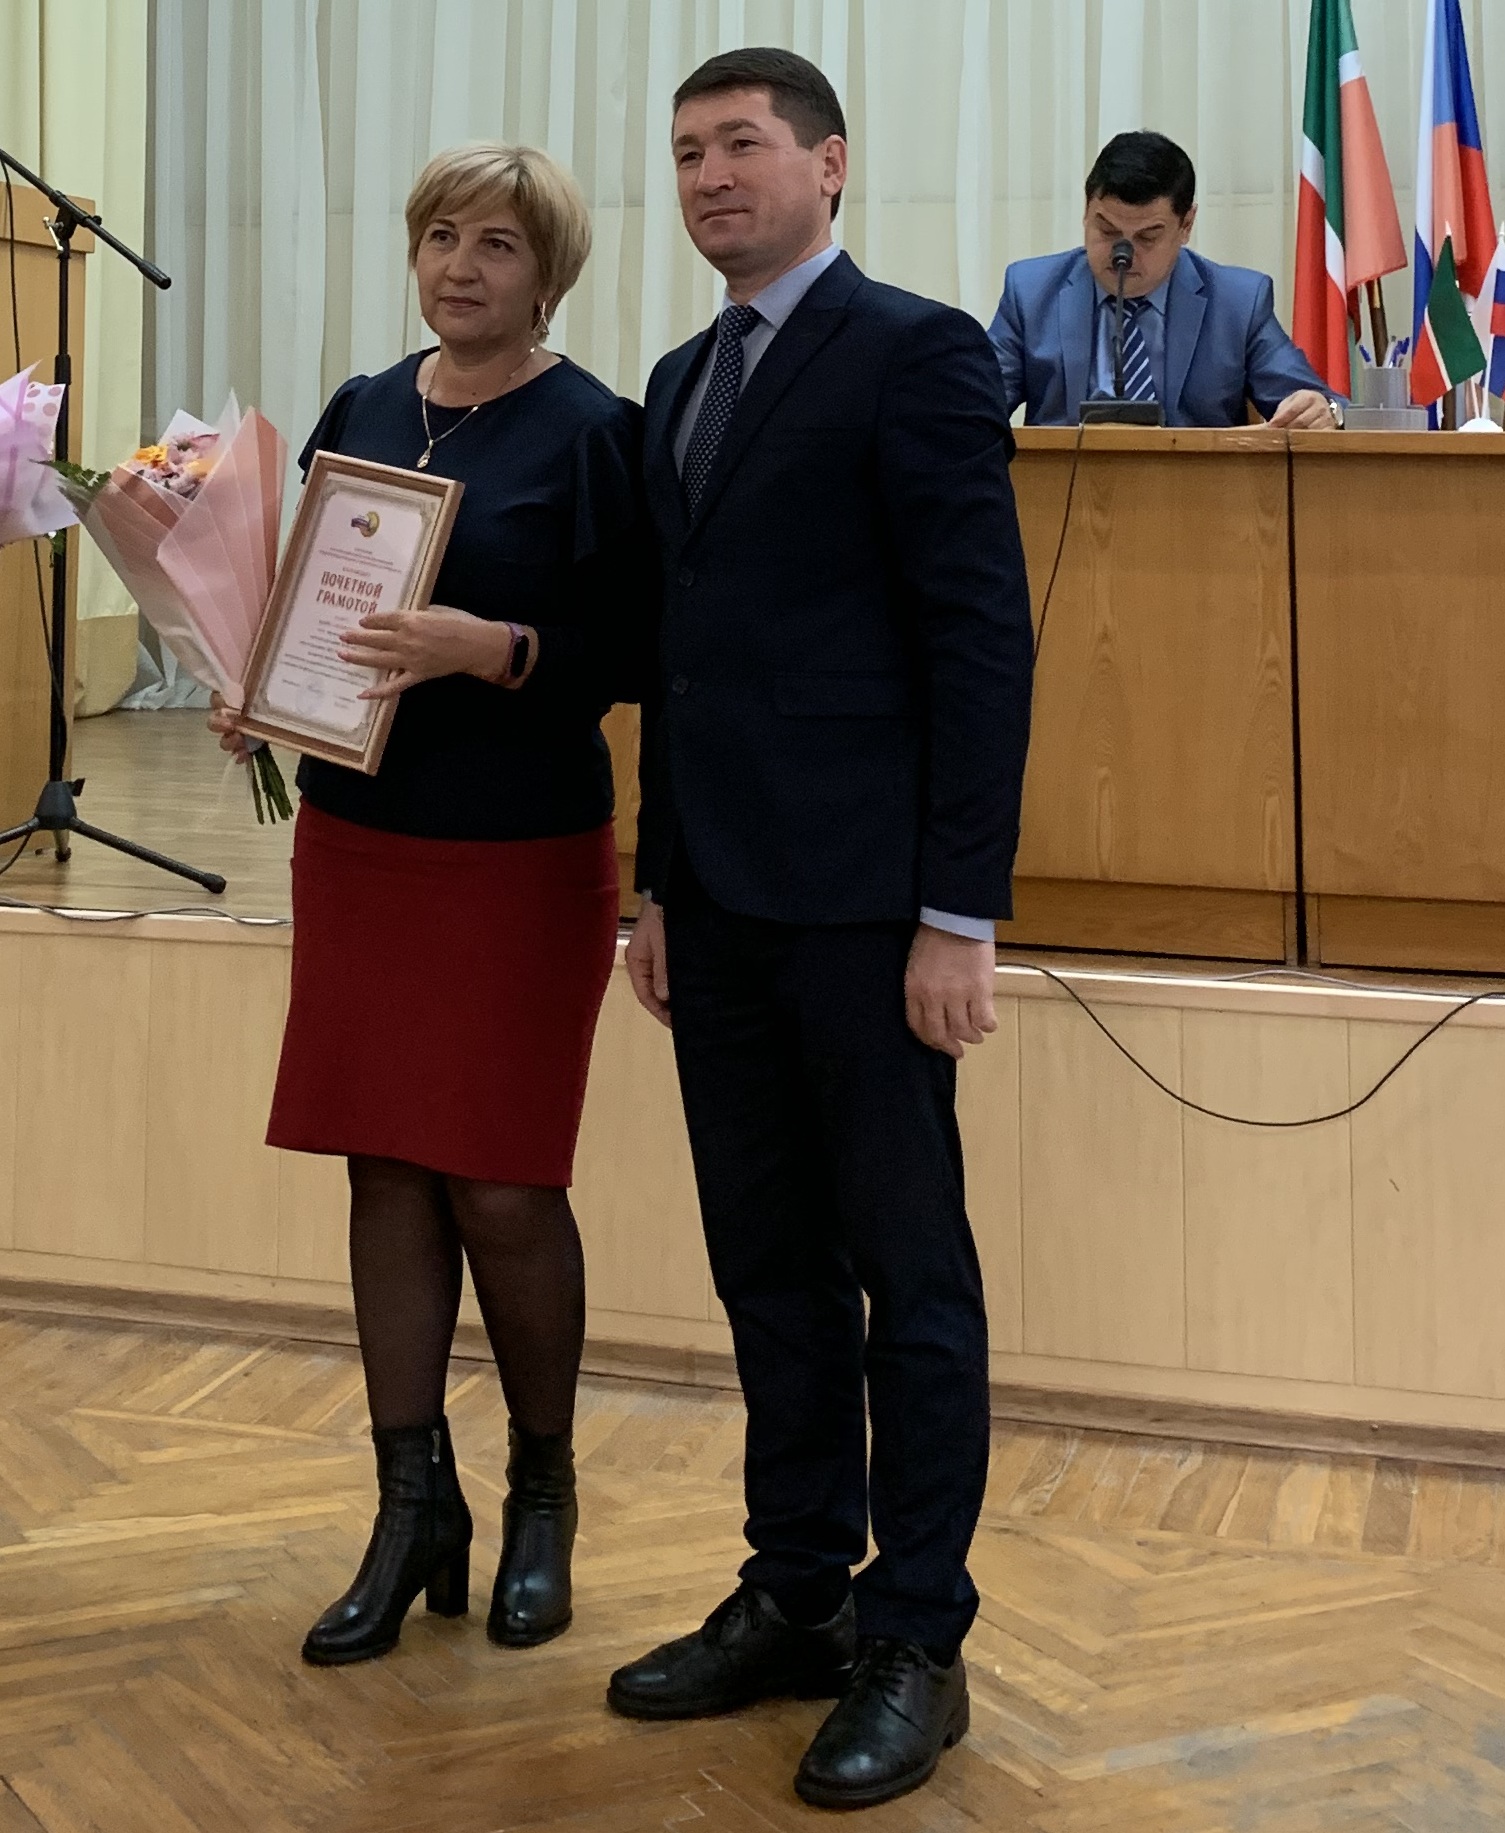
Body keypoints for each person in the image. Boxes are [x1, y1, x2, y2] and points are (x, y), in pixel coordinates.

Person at [609, 48, 1034, 1812]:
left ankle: (916, 1631)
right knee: (766, 1266)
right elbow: (678, 655)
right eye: (686, 151)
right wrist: (655, 878)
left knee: (907, 1278)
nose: (709, 175)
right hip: (716, 903)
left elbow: (979, 640)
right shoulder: (678, 376)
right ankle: (796, 1588)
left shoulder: (917, 350)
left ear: (830, 163)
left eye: (742, 144)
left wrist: (957, 909)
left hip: (871, 911)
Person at [212, 144, 652, 1667]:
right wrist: (259, 688)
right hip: (361, 841)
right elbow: (308, 603)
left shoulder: (595, 431)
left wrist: (496, 648)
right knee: (384, 1171)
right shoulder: (361, 406)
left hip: (517, 855)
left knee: (503, 1185)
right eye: (442, 237)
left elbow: (634, 652)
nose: (462, 267)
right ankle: (412, 1509)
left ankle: (542, 1497)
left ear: (549, 274)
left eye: (498, 246)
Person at [989, 130, 1344, 429]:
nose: (1123, 254)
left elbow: (1320, 405)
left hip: (1195, 490)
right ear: (1086, 211)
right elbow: (974, 405)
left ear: (1186, 225)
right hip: (1058, 489)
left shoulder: (1238, 304)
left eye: (1147, 237)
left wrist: (1323, 411)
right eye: (1107, 231)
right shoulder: (1031, 293)